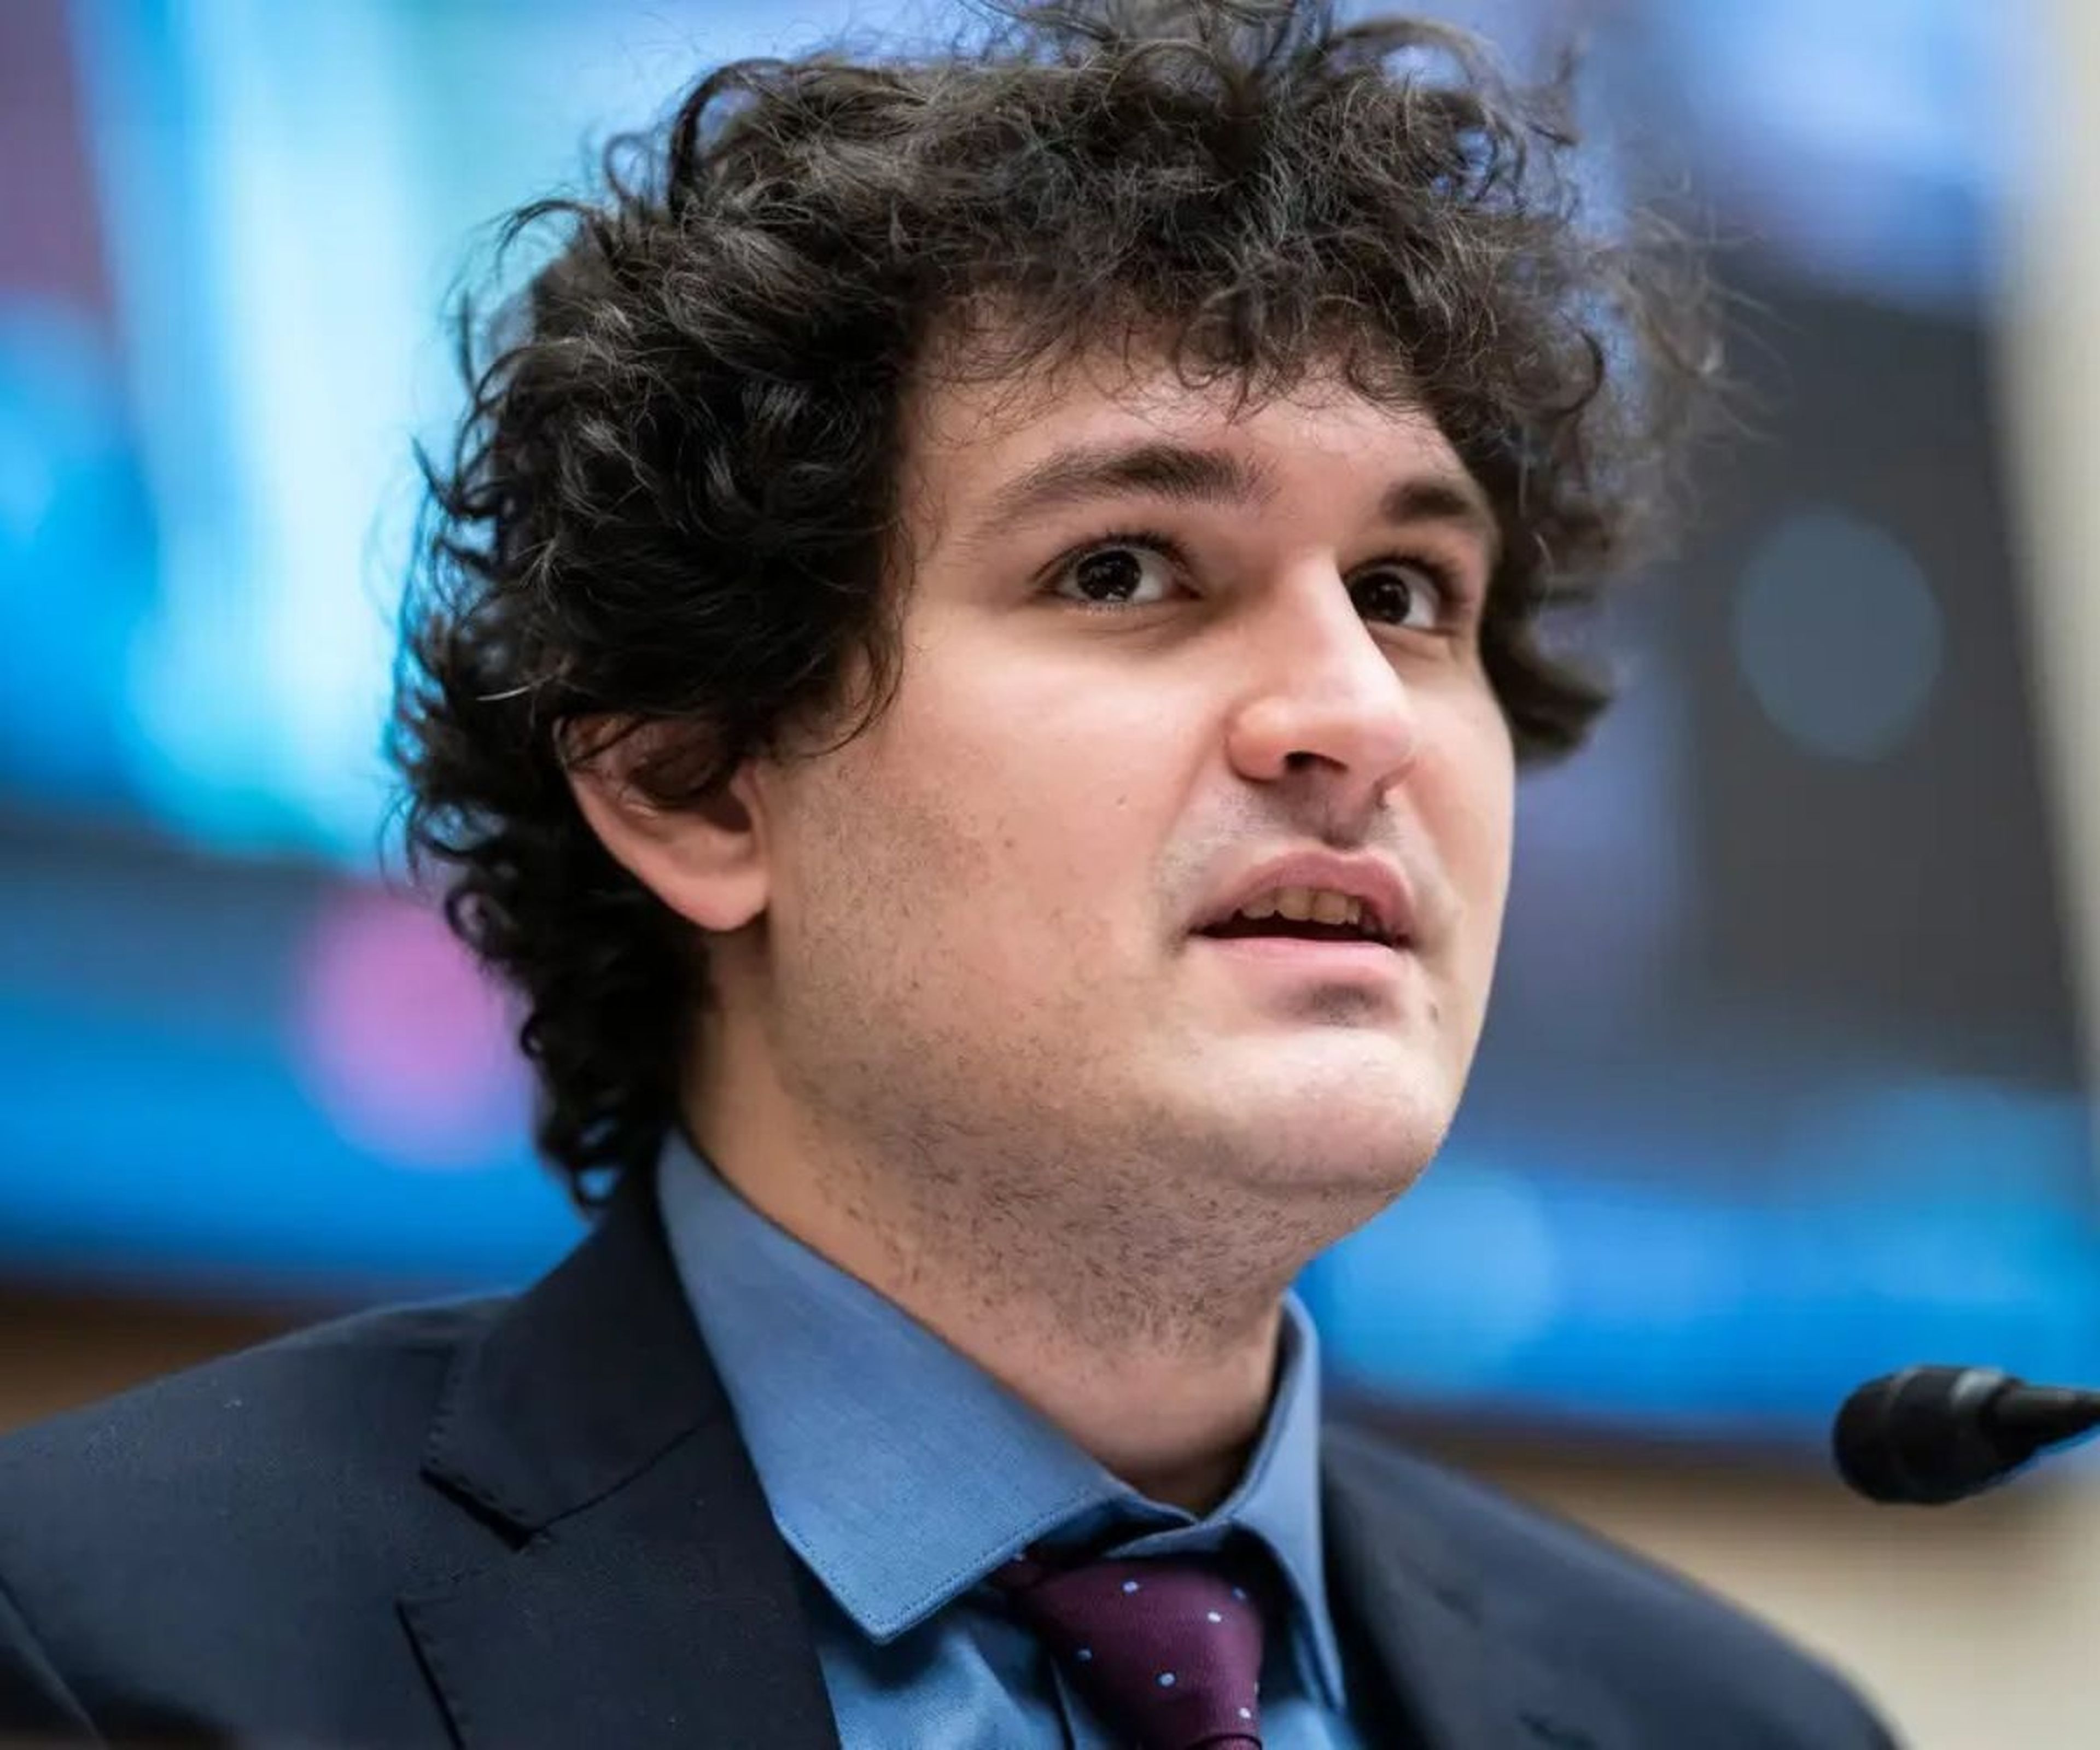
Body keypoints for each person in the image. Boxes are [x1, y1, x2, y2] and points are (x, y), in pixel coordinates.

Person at [0, 2, 1900, 1744]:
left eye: (1408, 593)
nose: (1356, 712)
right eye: (1125, 569)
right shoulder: (114, 1653)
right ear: (691, 780)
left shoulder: (1749, 1731)